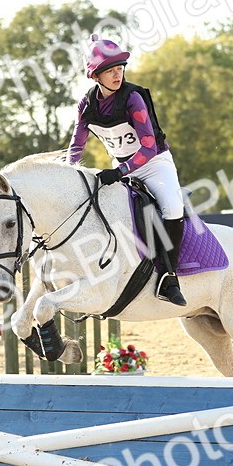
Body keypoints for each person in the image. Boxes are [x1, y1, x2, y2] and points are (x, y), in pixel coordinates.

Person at [67, 35, 187, 306]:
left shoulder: (133, 98)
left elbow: (147, 148)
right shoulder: (86, 106)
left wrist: (120, 172)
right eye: (110, 70)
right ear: (96, 75)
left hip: (154, 165)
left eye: (120, 68)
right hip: (120, 167)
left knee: (172, 208)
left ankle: (169, 276)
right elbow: (77, 145)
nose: (117, 74)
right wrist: (67, 173)